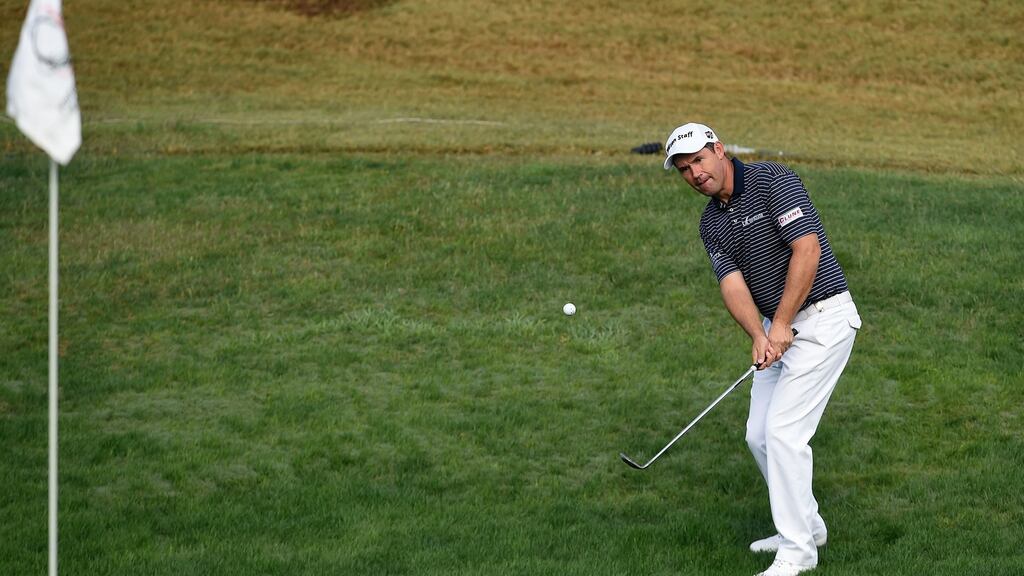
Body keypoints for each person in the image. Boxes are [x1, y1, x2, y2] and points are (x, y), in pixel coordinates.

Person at [662, 123, 862, 576]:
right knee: (759, 435)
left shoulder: (772, 179)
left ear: (719, 149)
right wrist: (759, 333)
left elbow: (806, 249)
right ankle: (807, 526)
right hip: (777, 327)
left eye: (698, 160)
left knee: (784, 433)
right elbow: (732, 284)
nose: (695, 174)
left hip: (824, 318)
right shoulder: (711, 222)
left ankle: (797, 552)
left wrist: (783, 323)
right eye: (685, 169)